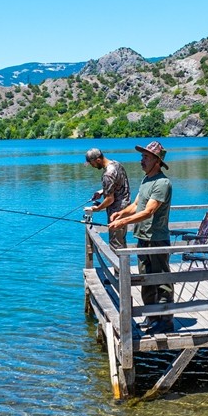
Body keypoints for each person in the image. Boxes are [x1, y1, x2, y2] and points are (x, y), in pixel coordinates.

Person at [108, 140, 174, 334]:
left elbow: (149, 211)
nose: (141, 160)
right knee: (145, 279)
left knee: (161, 280)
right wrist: (122, 214)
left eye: (146, 157)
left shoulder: (162, 183)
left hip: (157, 238)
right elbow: (137, 205)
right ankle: (152, 315)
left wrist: (122, 223)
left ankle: (166, 320)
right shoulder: (146, 180)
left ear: (156, 161)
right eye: (142, 156)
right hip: (143, 237)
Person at [85, 147, 130, 249]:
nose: (92, 166)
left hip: (115, 213)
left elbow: (110, 199)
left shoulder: (107, 174)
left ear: (98, 160)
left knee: (115, 244)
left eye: (92, 164)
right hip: (126, 208)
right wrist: (102, 191)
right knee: (121, 240)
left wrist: (98, 208)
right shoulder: (116, 164)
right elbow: (118, 184)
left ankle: (119, 265)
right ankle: (124, 264)